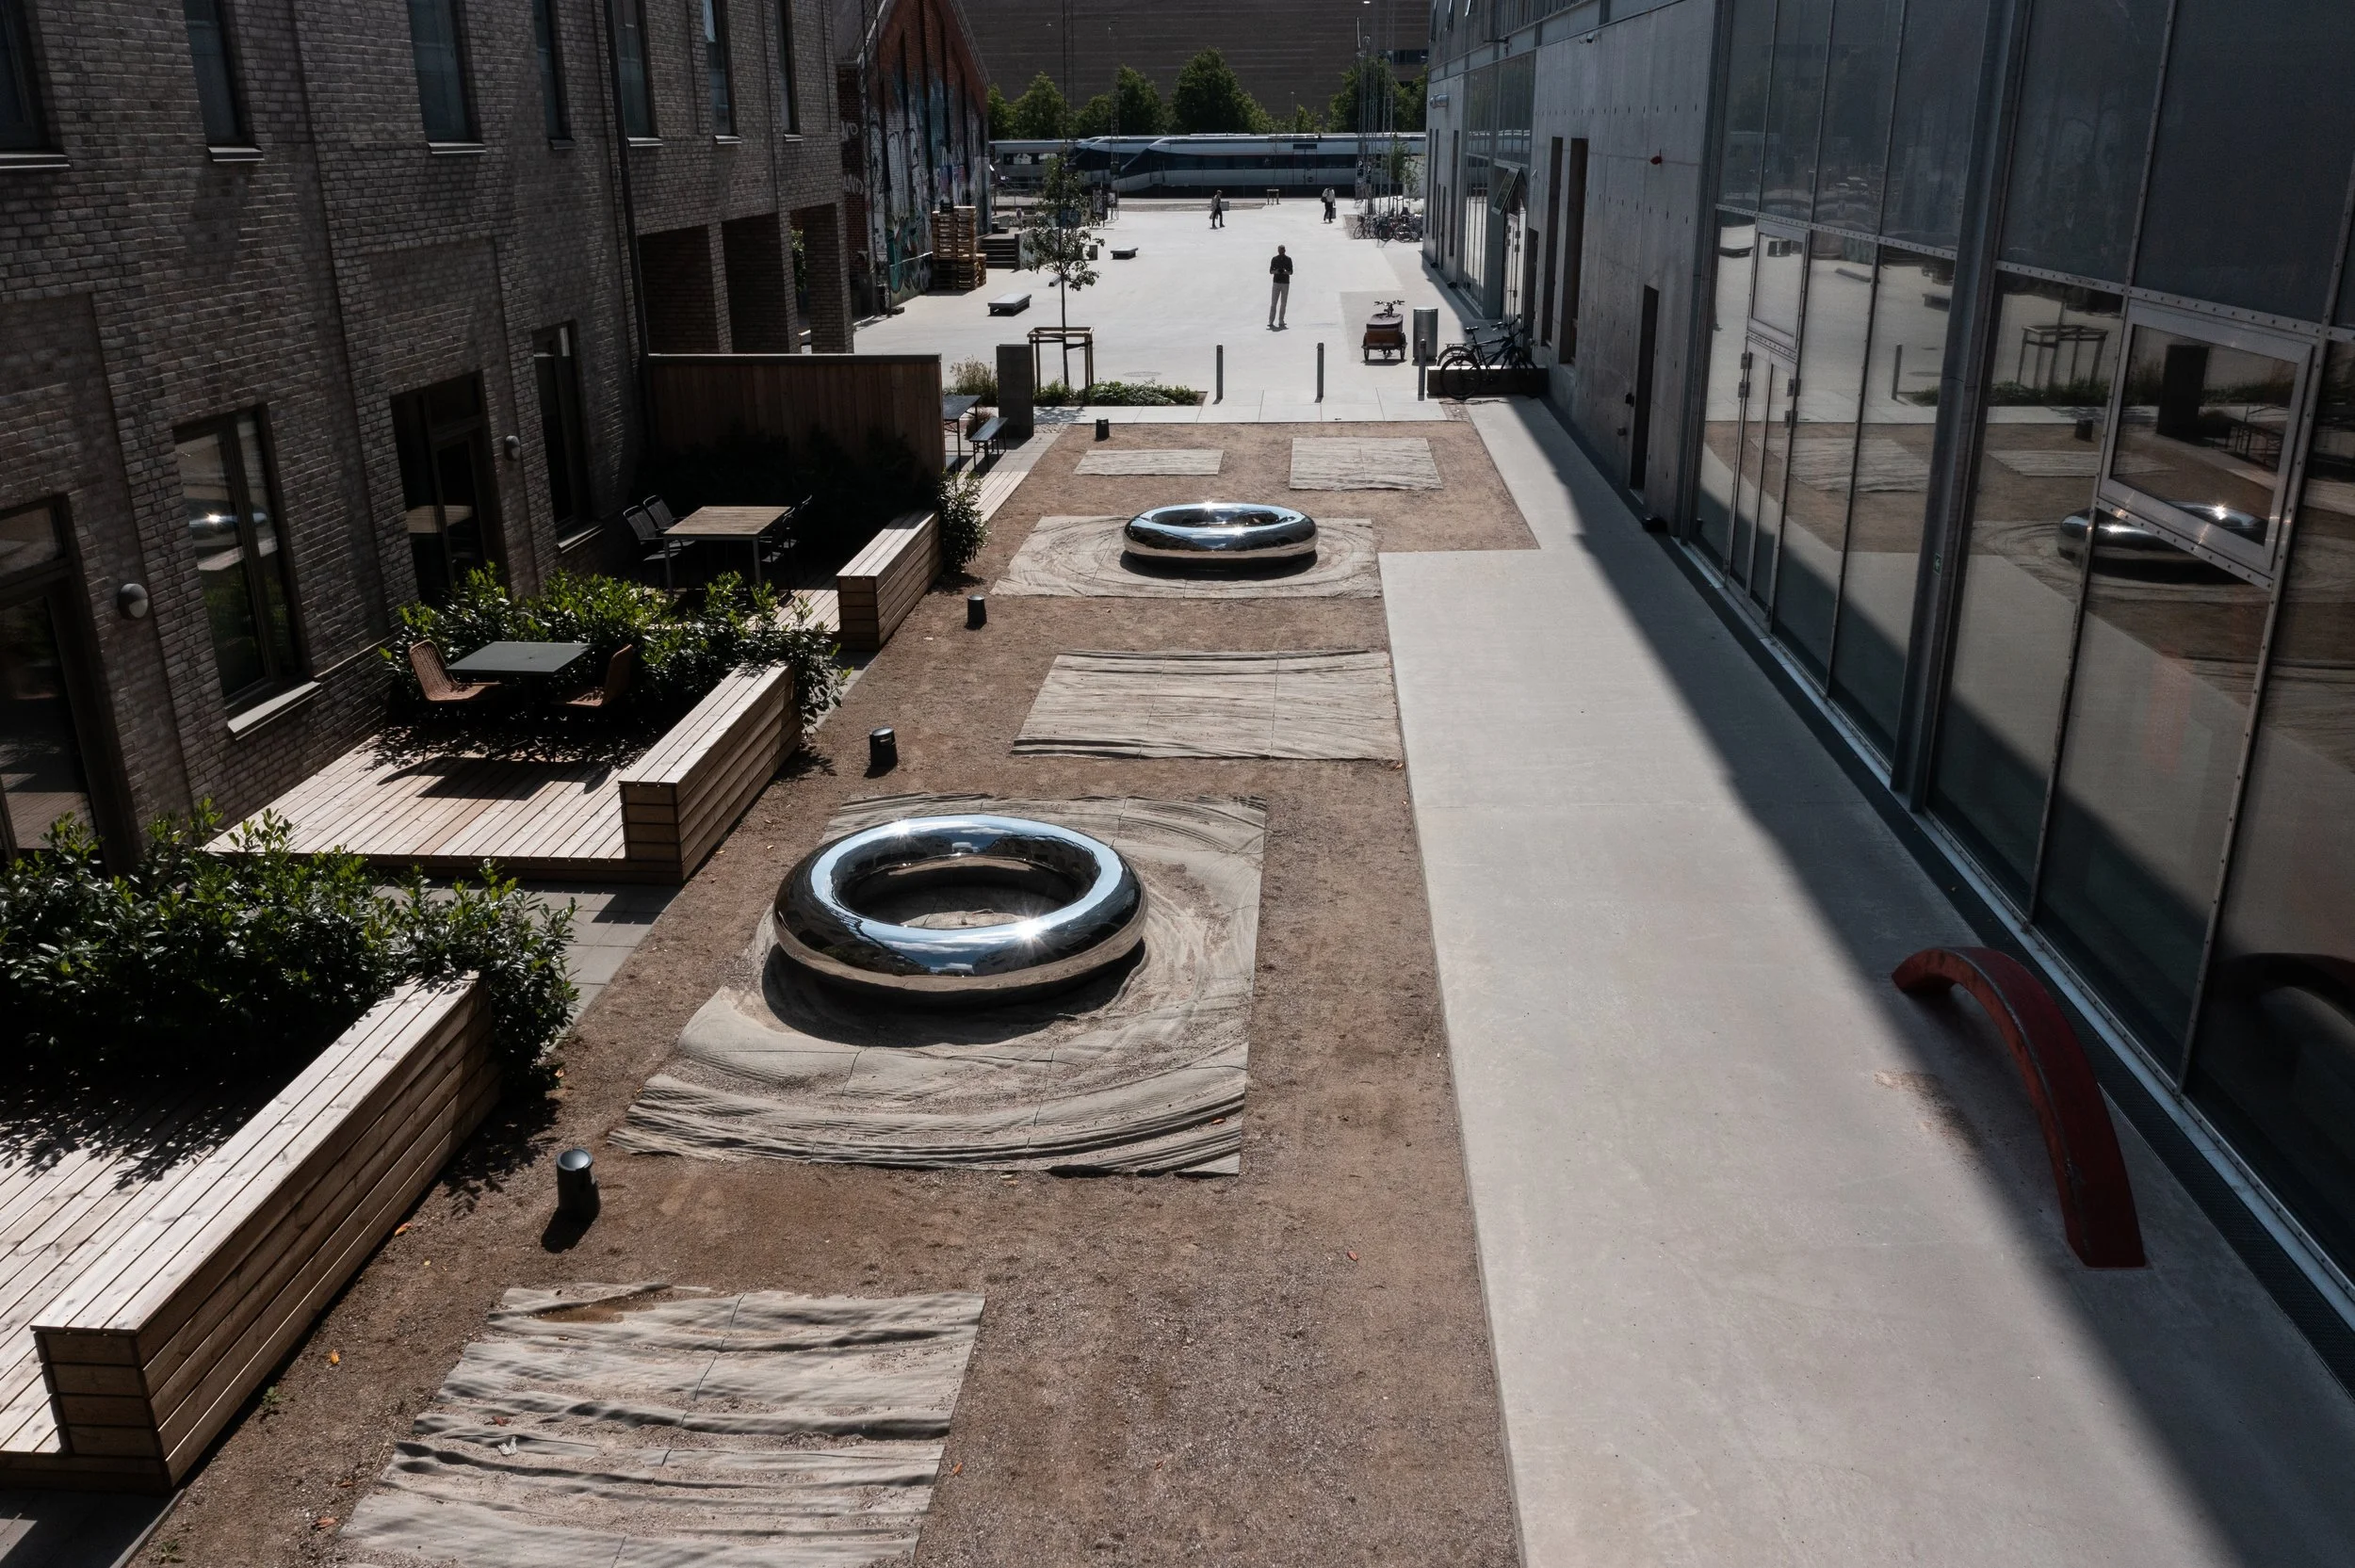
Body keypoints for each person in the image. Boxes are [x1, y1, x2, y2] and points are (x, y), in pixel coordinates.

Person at [1267, 244, 1292, 330]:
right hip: (1276, 282)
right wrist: (1277, 271)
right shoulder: (1274, 259)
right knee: (1274, 303)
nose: (1282, 251)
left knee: (1283, 303)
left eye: (1283, 250)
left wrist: (1285, 272)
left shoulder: (1288, 259)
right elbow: (1271, 271)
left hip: (1285, 283)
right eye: (1281, 250)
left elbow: (1291, 272)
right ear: (1278, 250)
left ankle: (1281, 320)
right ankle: (1271, 321)